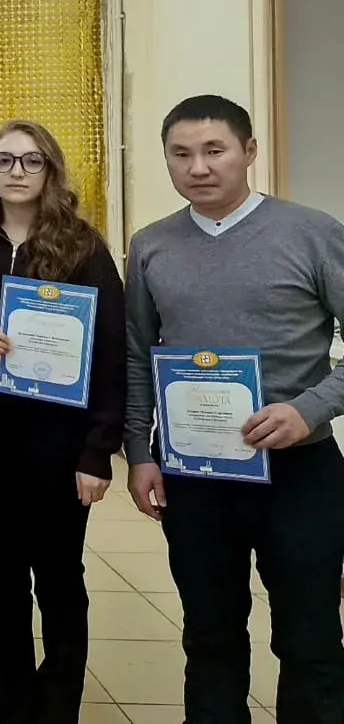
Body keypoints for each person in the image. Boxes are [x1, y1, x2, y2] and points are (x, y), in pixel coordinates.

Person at [124, 95, 344, 723]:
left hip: (298, 471)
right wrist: (139, 452)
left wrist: (310, 409)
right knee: (210, 636)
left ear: (249, 151)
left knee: (309, 638)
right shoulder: (151, 245)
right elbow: (138, 353)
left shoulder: (312, 233)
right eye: (181, 154)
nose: (198, 167)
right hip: (196, 475)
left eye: (214, 150)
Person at [0, 120, 126, 723]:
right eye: (4, 161)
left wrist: (98, 449)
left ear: (50, 170)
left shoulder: (83, 248)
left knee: (58, 573)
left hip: (60, 443)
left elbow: (111, 354)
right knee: (1, 571)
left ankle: (57, 708)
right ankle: (14, 705)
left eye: (31, 161)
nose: (17, 172)